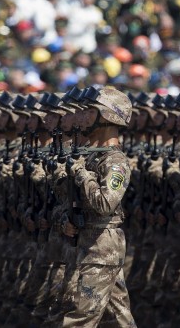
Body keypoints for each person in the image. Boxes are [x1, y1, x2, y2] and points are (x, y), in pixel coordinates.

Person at [61, 87, 136, 327]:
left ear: (107, 116)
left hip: (102, 247)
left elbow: (105, 203)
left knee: (80, 318)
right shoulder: (92, 156)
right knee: (117, 318)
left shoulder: (115, 161)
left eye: (89, 111)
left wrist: (82, 174)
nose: (81, 117)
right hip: (91, 243)